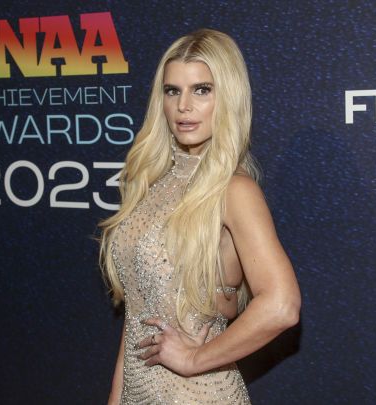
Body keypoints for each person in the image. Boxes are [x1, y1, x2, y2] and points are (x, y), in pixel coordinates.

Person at [97, 28, 301, 404]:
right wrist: (117, 397)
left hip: (198, 394)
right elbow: (138, 315)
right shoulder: (151, 183)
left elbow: (281, 305)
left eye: (202, 90)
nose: (183, 106)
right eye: (172, 91)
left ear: (228, 97)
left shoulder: (234, 190)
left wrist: (194, 359)